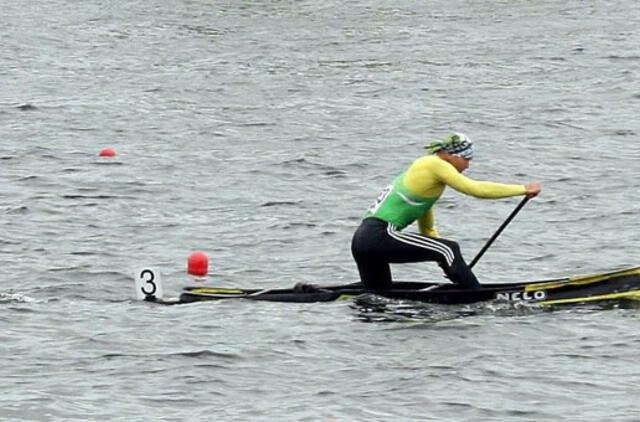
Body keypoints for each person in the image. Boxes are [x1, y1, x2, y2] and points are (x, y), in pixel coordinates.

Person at [351, 133, 541, 291]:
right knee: (450, 248)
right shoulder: (435, 164)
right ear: (452, 156)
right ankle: (477, 296)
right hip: (380, 235)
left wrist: (454, 267)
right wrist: (523, 189)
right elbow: (476, 189)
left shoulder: (425, 177)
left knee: (380, 297)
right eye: (467, 159)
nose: (468, 165)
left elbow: (427, 230)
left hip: (361, 241)